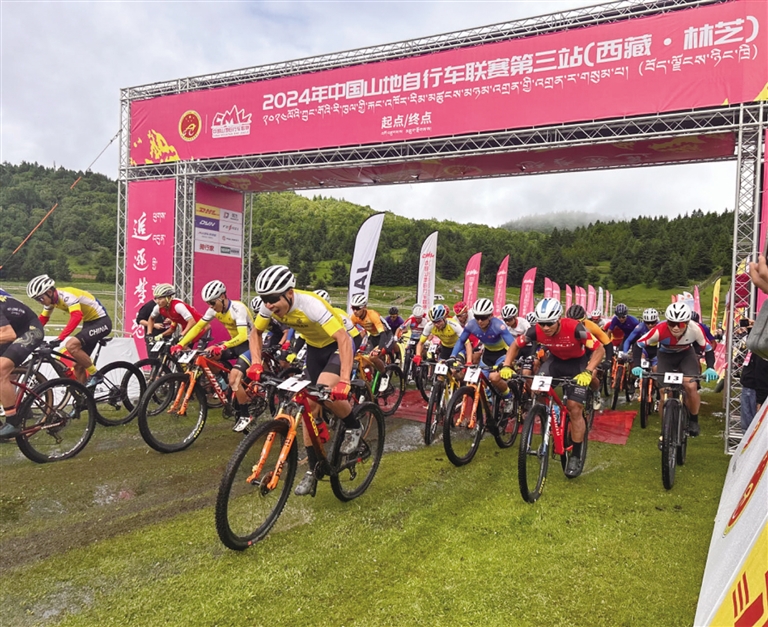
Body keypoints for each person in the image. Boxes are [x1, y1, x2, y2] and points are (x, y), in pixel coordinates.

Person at [245, 265, 356, 497]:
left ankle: (354, 426)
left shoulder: (311, 305)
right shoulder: (268, 307)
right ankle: (314, 469)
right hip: (314, 349)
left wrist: (345, 380)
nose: (268, 305)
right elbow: (255, 333)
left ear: (289, 293)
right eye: (264, 299)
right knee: (309, 406)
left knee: (324, 390)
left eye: (273, 299)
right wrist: (256, 363)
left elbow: (343, 338)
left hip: (336, 346)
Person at [502, 298, 604, 478]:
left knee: (574, 408)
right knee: (536, 390)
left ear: (558, 319)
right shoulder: (535, 330)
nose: (545, 327)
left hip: (577, 364)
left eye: (549, 323)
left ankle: (576, 455)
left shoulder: (576, 328)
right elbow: (516, 345)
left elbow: (599, 349)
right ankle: (551, 412)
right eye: (542, 323)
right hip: (554, 362)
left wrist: (588, 372)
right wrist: (506, 365)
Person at [634, 302, 717, 437]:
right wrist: (637, 365)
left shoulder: (695, 329)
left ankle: (694, 420)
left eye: (681, 324)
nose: (676, 328)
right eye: (672, 324)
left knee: (690, 386)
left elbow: (708, 349)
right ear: (667, 321)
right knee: (664, 393)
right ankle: (665, 429)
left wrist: (711, 368)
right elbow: (638, 345)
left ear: (687, 323)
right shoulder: (659, 329)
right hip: (665, 356)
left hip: (686, 355)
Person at [27, 274, 111, 388]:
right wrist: (28, 334)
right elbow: (43, 319)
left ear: (49, 292)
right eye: (36, 299)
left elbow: (76, 316)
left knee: (71, 345)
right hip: (89, 323)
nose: (39, 301)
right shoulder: (51, 301)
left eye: (40, 298)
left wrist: (60, 338)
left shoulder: (67, 296)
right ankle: (84, 395)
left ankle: (96, 375)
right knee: (77, 366)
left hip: (102, 322)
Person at [172, 280, 253, 396]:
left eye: (212, 303)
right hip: (234, 343)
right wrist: (181, 344)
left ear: (222, 297)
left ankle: (244, 405)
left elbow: (243, 336)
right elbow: (198, 327)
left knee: (235, 380)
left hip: (249, 344)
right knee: (205, 356)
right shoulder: (213, 310)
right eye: (208, 303)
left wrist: (223, 346)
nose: (211, 306)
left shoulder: (238, 308)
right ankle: (222, 384)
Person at [450, 298, 516, 406]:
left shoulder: (498, 326)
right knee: (477, 380)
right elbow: (461, 341)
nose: (480, 321)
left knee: (493, 378)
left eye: (483, 317)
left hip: (502, 354)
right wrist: (453, 356)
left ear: (490, 316)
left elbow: (513, 346)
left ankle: (509, 398)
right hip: (487, 355)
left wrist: (507, 364)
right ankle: (487, 400)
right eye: (477, 317)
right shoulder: (471, 325)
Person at [0, 294, 45, 438]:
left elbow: (9, 334)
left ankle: (12, 422)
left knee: (1, 370)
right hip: (11, 329)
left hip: (30, 331)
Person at [349, 295, 394, 373]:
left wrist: (379, 349)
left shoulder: (372, 315)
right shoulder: (354, 317)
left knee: (373, 357)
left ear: (364, 307)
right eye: (353, 308)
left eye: (357, 308)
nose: (355, 311)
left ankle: (384, 374)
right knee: (365, 359)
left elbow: (383, 334)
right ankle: (371, 375)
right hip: (373, 336)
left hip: (386, 336)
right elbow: (353, 334)